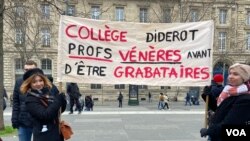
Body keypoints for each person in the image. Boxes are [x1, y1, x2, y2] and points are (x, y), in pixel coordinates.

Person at [200, 63, 250, 141]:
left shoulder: (245, 99)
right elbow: (218, 109)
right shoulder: (229, 92)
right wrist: (208, 95)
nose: (230, 76)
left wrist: (210, 131)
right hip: (217, 135)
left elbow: (230, 124)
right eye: (230, 73)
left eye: (236, 74)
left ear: (245, 77)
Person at [20, 68, 66, 141]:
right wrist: (57, 101)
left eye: (40, 80)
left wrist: (63, 101)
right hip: (44, 135)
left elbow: (59, 110)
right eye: (34, 82)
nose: (38, 84)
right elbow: (45, 115)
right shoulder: (30, 100)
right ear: (29, 84)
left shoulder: (49, 93)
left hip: (56, 133)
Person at [11, 60, 37, 141]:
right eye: (26, 70)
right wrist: (14, 118)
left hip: (38, 121)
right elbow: (16, 101)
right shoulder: (19, 81)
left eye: (31, 70)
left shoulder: (41, 81)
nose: (28, 72)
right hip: (23, 121)